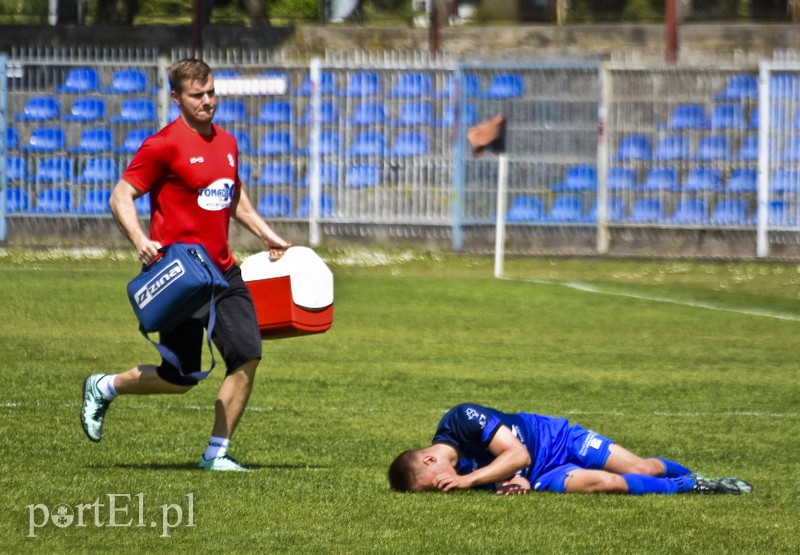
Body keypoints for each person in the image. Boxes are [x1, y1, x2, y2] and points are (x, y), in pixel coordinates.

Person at [80, 58, 291, 472]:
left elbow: (232, 195)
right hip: (181, 277)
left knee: (247, 353)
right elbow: (120, 196)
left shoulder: (227, 142)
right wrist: (140, 240)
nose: (207, 101)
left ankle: (216, 455)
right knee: (179, 378)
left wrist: (265, 233)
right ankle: (105, 386)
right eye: (197, 95)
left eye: (211, 92)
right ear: (176, 98)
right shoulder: (162, 145)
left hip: (223, 272)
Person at [388, 403, 753, 495]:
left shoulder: (460, 419)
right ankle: (694, 485)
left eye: (433, 483)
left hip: (558, 438)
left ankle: (687, 472)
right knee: (609, 484)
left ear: (431, 459)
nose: (443, 488)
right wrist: (513, 482)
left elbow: (517, 455)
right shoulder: (459, 474)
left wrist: (472, 481)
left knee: (643, 469)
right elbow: (510, 473)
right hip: (544, 473)